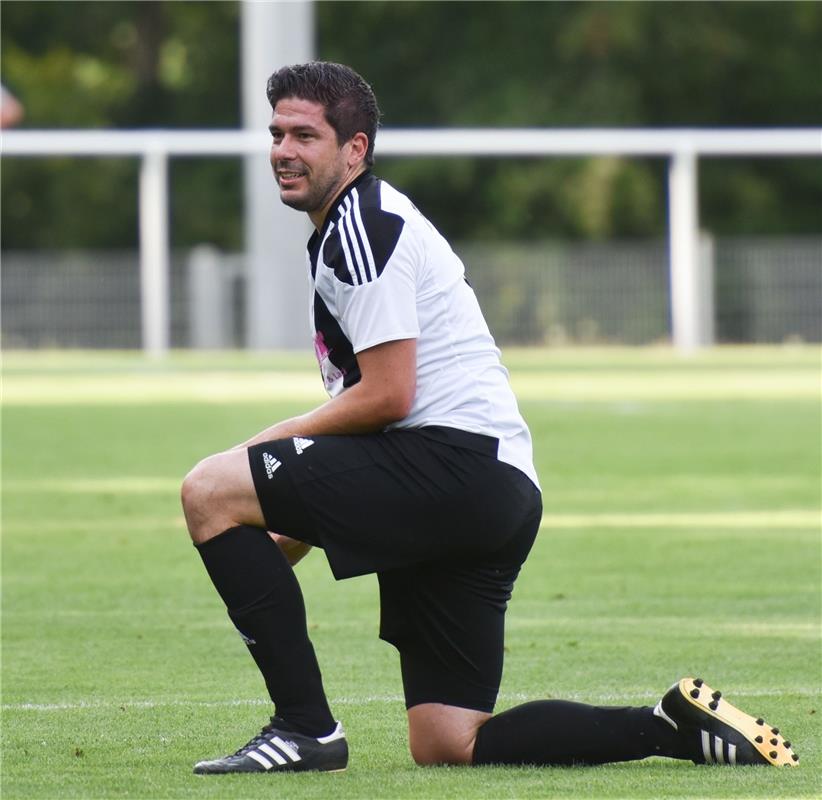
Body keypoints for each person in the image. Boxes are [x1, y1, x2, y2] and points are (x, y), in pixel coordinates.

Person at [181, 61, 797, 774]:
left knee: (208, 487)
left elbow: (389, 396)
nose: (284, 150)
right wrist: (297, 517)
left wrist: (257, 452)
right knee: (449, 742)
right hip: (494, 489)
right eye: (277, 133)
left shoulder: (361, 229)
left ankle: (305, 730)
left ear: (354, 149)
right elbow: (381, 411)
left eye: (305, 135)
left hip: (449, 469)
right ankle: (666, 728)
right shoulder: (360, 222)